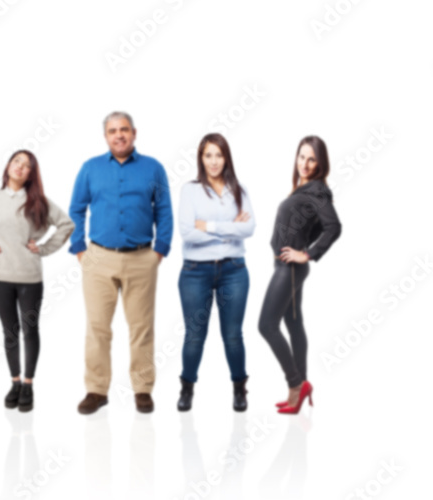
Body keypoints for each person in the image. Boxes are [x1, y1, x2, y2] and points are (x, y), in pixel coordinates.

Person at [69, 111, 173, 415]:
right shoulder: (90, 168)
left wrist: (159, 252)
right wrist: (79, 250)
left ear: (134, 133)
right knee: (97, 327)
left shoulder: (153, 169)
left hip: (142, 258)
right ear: (106, 136)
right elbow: (76, 210)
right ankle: (96, 390)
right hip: (98, 258)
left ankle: (142, 389)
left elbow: (164, 211)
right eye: (113, 130)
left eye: (124, 129)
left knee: (142, 327)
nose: (119, 135)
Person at [0, 150, 73, 412]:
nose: (21, 167)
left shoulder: (37, 200)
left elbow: (66, 224)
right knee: (10, 331)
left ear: (32, 174)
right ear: (8, 165)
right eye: (17, 161)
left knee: (30, 330)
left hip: (29, 276)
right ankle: (15, 382)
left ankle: (29, 384)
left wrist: (43, 248)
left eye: (27, 165)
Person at [260, 135, 341, 414]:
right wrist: (305, 242)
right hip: (286, 266)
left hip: (291, 268)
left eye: (311, 159)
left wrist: (306, 253)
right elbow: (318, 225)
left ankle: (296, 384)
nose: (304, 164)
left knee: (266, 326)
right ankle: (300, 390)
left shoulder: (317, 191)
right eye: (301, 157)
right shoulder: (304, 189)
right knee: (293, 324)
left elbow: (333, 227)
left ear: (320, 163)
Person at [175, 133, 255, 412]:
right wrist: (228, 228)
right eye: (208, 155)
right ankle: (187, 387)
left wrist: (207, 226)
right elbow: (186, 232)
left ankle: (239, 388)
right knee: (195, 334)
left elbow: (249, 229)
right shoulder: (190, 190)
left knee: (233, 334)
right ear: (201, 158)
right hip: (195, 271)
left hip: (234, 270)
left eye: (218, 155)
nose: (213, 161)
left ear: (226, 158)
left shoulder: (239, 190)